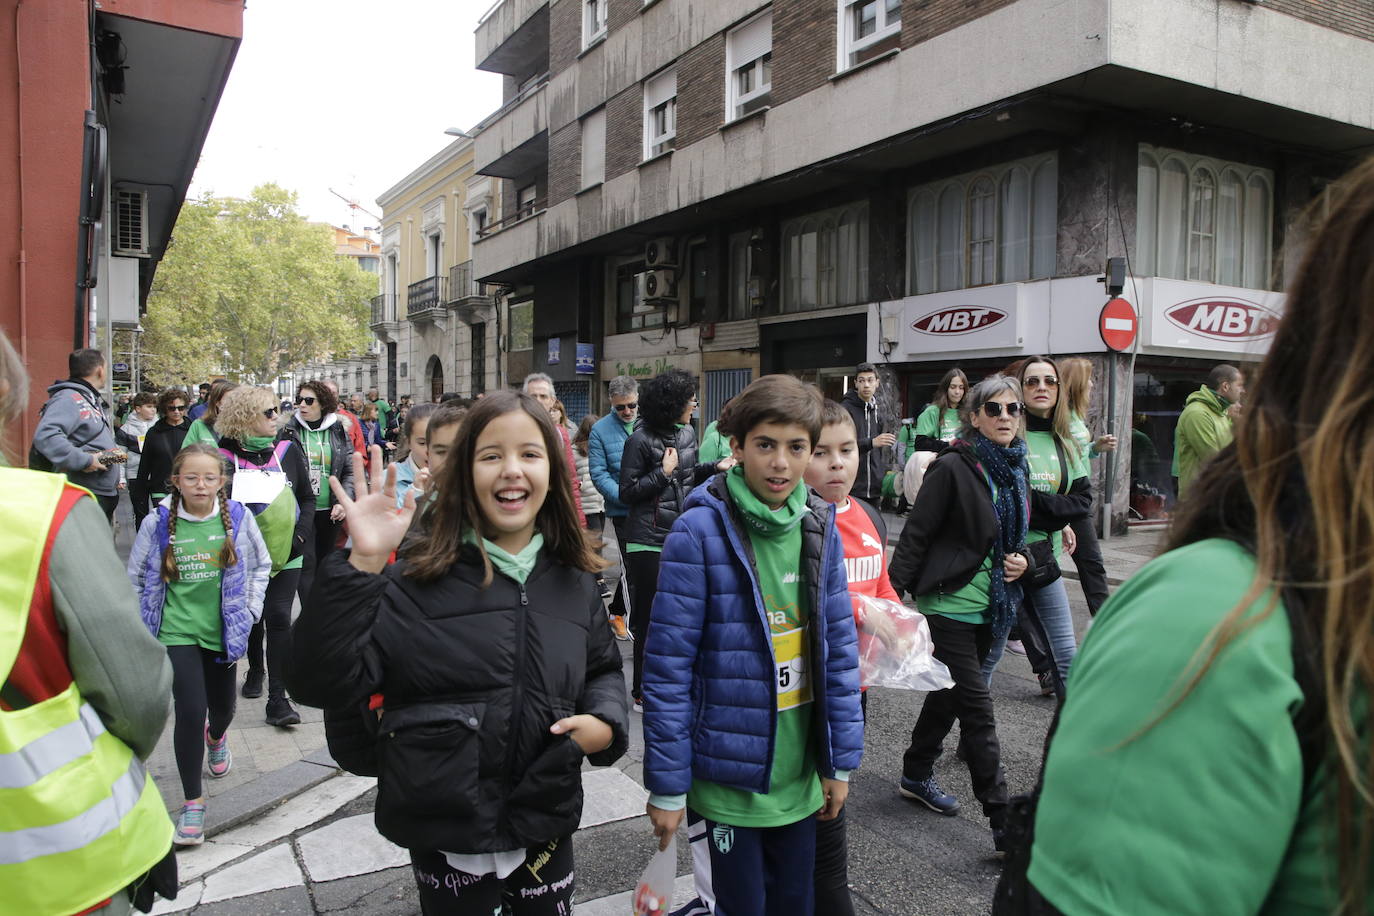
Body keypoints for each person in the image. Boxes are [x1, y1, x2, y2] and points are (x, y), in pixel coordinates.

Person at [1025, 158, 1374, 915]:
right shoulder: (1216, 613)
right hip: (1023, 556)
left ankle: (1059, 680)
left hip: (1067, 538)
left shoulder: (1076, 428)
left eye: (1055, 383)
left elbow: (1077, 477)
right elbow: (1195, 453)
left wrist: (1088, 486)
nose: (1045, 394)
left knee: (1077, 610)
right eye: (1034, 384)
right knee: (1014, 644)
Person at [287, 395, 629, 915]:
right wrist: (363, 564)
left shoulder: (573, 578)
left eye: (529, 454)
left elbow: (602, 668)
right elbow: (320, 683)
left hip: (544, 815)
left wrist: (605, 723)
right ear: (461, 471)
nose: (511, 469)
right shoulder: (411, 578)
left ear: (553, 472)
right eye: (490, 455)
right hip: (444, 826)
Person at [642, 374, 863, 915]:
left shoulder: (819, 525)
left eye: (795, 448)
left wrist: (839, 763)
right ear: (736, 448)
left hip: (800, 778)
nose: (781, 464)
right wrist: (668, 787)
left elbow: (836, 652)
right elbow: (668, 668)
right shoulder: (697, 533)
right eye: (765, 445)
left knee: (795, 905)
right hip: (726, 787)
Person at [0, 329, 179, 915]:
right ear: (7, 393)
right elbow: (135, 691)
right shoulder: (41, 514)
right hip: (55, 861)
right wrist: (93, 460)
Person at [887, 374, 1032, 850]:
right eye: (994, 409)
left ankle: (915, 772)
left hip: (992, 607)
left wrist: (1028, 560)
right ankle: (1002, 821)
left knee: (949, 694)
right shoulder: (953, 467)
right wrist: (889, 599)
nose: (1005, 417)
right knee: (977, 708)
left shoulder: (1016, 468)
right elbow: (918, 533)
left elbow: (1029, 533)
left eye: (1013, 409)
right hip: (948, 602)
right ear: (974, 417)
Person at [127, 443, 271, 846]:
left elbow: (261, 565)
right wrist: (144, 624)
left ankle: (217, 737)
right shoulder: (157, 524)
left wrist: (251, 609)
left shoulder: (238, 519)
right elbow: (137, 577)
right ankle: (193, 802)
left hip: (223, 631)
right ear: (176, 481)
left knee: (221, 709)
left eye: (209, 477)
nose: (201, 485)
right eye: (191, 477)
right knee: (190, 711)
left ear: (222, 481)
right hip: (176, 632)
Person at [805, 399, 904, 916]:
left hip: (853, 687)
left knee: (836, 790)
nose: (837, 463)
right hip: (805, 687)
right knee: (818, 808)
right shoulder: (796, 519)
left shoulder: (866, 515)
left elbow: (882, 582)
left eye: (846, 450)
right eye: (821, 452)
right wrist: (862, 610)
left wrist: (899, 624)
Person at [620, 369, 734, 709]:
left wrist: (716, 466)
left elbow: (687, 475)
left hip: (679, 535)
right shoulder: (639, 440)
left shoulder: (686, 433)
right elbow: (628, 492)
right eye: (690, 399)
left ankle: (672, 685)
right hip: (646, 539)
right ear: (672, 404)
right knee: (650, 618)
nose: (695, 404)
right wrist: (661, 473)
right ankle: (641, 690)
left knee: (678, 616)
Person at [978, 357, 1090, 700]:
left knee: (1067, 657)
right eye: (1032, 382)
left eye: (1049, 381)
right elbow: (1001, 501)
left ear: (1059, 390)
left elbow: (1083, 501)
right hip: (1003, 564)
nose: (1042, 387)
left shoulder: (1065, 440)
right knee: (988, 659)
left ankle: (1069, 743)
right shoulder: (1006, 436)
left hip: (1043, 560)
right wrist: (1051, 509)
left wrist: (1041, 507)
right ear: (1020, 391)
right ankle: (972, 736)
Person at [216, 387, 314, 727]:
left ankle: (278, 700)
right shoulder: (222, 459)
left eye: (276, 410)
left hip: (289, 555)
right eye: (268, 412)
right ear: (244, 418)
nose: (277, 417)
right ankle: (255, 669)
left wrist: (300, 536)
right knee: (253, 620)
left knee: (278, 618)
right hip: (245, 560)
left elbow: (307, 497)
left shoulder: (288, 449)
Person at [283, 381, 356, 605]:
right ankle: (309, 614)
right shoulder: (287, 429)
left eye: (309, 400)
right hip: (302, 509)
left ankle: (323, 611)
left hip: (331, 510)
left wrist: (343, 500)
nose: (302, 405)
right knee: (308, 563)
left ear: (323, 404)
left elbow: (349, 470)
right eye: (300, 400)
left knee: (326, 563)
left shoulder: (338, 429)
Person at [31, 347, 122, 522]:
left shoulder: (88, 398)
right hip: (85, 492)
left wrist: (114, 457)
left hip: (99, 492)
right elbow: (47, 436)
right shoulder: (68, 398)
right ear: (100, 370)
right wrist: (85, 460)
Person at [1057, 357, 1118, 617]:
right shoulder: (1057, 417)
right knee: (1088, 563)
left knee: (1091, 564)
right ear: (1077, 383)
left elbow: (1077, 455)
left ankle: (1106, 622)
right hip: (1064, 496)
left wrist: (1095, 448)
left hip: (1079, 496)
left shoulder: (1075, 416)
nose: (1092, 384)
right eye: (1089, 379)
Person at [588, 375, 639, 641]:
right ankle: (619, 615)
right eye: (621, 407)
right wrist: (625, 496)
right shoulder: (600, 430)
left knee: (645, 564)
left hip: (651, 507)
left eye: (631, 405)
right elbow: (598, 473)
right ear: (611, 403)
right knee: (630, 564)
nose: (627, 412)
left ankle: (621, 612)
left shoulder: (646, 422)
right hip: (622, 510)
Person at [1172, 363, 1245, 500]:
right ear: (1225, 386)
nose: (1243, 391)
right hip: (1199, 502)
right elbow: (1214, 460)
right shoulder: (1197, 413)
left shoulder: (1222, 413)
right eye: (1239, 385)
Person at [522, 373, 585, 525]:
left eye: (543, 396)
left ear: (552, 401)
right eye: (533, 396)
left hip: (551, 513)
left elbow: (570, 479)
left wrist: (579, 523)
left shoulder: (559, 434)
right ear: (523, 400)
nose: (538, 401)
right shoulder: (512, 430)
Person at [841, 362, 896, 510]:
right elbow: (841, 446)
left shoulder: (878, 410)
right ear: (855, 384)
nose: (866, 385)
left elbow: (880, 450)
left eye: (870, 380)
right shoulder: (846, 410)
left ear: (877, 383)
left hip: (875, 487)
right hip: (852, 486)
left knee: (874, 529)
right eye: (861, 380)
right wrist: (871, 443)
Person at [136, 388, 194, 513]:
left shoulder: (193, 430)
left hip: (189, 488)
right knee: (164, 524)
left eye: (181, 408)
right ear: (164, 409)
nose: (177, 412)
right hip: (160, 488)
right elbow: (145, 464)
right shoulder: (154, 432)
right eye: (172, 408)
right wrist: (140, 495)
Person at [118, 391, 160, 532]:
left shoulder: (160, 427)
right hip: (135, 475)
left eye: (154, 406)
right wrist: (121, 477)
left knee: (161, 513)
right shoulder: (125, 430)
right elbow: (120, 455)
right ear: (137, 408)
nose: (153, 409)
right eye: (149, 406)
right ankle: (142, 546)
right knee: (140, 513)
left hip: (157, 475)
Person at [393, 402, 439, 508]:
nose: (429, 451)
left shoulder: (459, 477)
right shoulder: (390, 477)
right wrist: (415, 491)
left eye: (438, 444)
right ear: (408, 442)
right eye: (422, 443)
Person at [181, 379, 239, 448]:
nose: (235, 403)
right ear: (217, 402)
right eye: (230, 399)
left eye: (238, 400)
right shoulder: (199, 425)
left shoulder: (247, 427)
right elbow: (186, 454)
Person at [572, 414, 604, 532]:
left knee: (597, 543)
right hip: (585, 505)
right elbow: (569, 476)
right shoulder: (574, 452)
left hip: (600, 505)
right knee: (594, 544)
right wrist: (580, 484)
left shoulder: (600, 448)